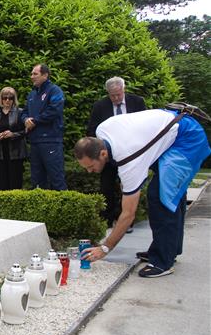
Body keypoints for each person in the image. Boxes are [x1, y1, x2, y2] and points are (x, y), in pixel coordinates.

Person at [74, 108, 210, 278]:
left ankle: (162, 262)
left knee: (161, 197)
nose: (89, 171)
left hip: (187, 139)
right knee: (172, 193)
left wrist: (105, 248)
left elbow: (128, 214)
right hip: (174, 129)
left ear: (103, 153)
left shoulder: (128, 159)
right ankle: (167, 249)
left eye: (90, 166)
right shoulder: (102, 130)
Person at [86, 77, 147, 232]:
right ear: (108, 93)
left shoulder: (137, 102)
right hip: (107, 154)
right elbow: (92, 130)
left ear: (123, 90)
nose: (116, 98)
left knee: (127, 186)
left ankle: (125, 221)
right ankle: (106, 220)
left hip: (130, 153)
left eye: (118, 95)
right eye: (112, 95)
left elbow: (144, 126)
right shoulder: (100, 106)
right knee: (106, 186)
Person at [20, 64, 67, 190]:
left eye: (35, 74)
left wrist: (34, 121)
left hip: (51, 140)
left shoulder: (55, 91)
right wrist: (25, 120)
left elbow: (54, 110)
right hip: (35, 141)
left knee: (56, 178)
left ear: (45, 75)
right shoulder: (32, 94)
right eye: (31, 74)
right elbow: (24, 112)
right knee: (37, 181)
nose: (32, 77)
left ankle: (62, 207)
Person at [0, 87, 27, 190]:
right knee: (3, 183)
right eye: (5, 97)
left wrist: (13, 134)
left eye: (10, 98)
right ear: (1, 99)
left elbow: (26, 131)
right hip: (0, 153)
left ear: (14, 99)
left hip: (16, 153)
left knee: (15, 183)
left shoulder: (20, 113)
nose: (7, 100)